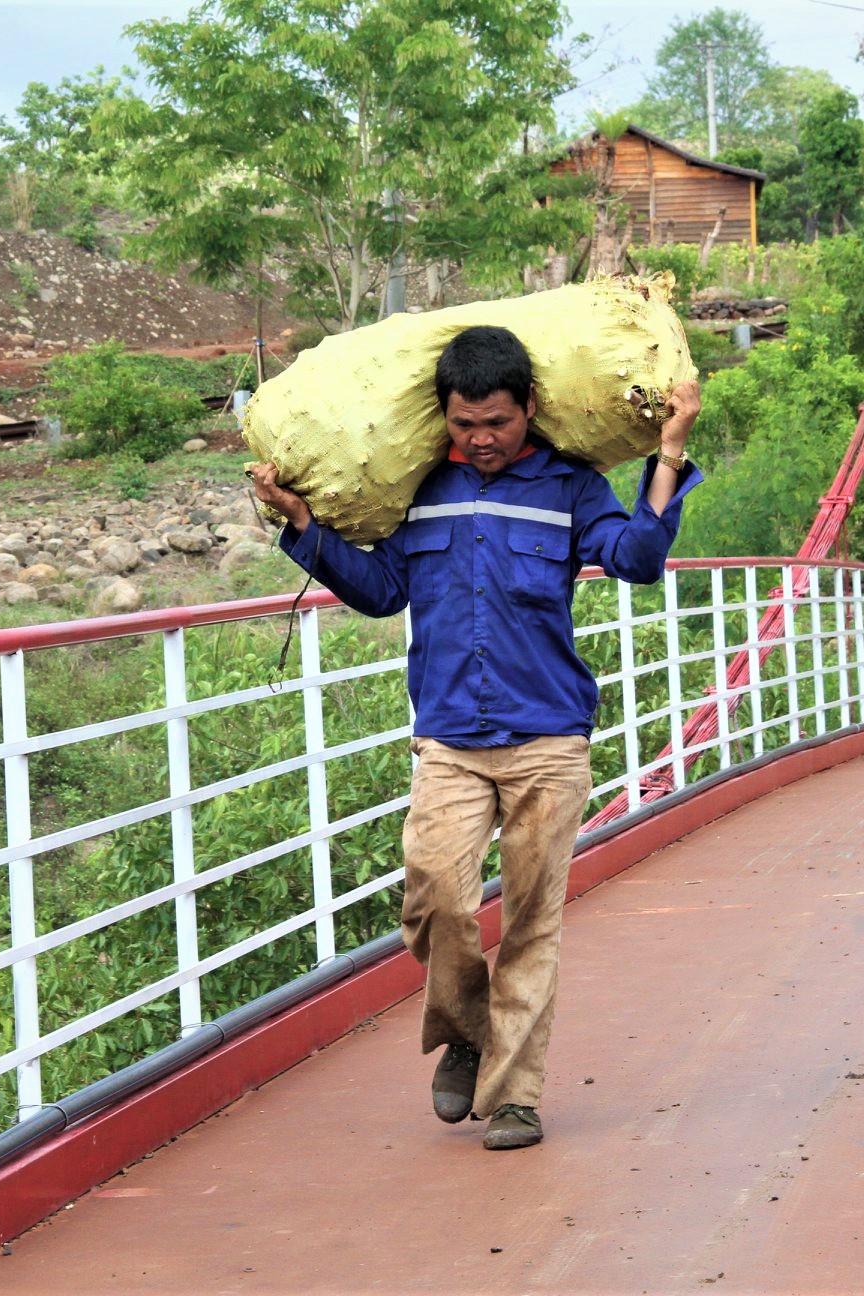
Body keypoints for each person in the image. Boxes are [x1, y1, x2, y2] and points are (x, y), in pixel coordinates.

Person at [250, 325, 701, 1150]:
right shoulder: (421, 488)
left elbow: (636, 557)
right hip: (451, 737)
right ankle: (463, 1033)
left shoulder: (572, 487)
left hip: (548, 739)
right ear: (443, 419)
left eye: (496, 422)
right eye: (465, 425)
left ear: (529, 406)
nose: (482, 440)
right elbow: (384, 591)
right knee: (436, 900)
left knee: (532, 920)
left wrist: (668, 454)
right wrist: (304, 526)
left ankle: (518, 1095)